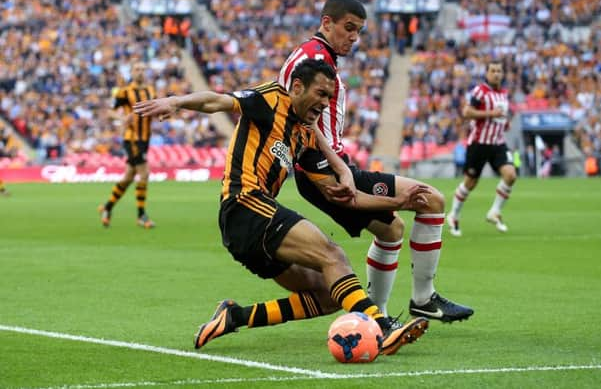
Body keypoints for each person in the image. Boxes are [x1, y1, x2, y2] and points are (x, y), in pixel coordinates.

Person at [133, 58, 428, 356]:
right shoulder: (271, 98)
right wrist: (176, 101)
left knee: (327, 295)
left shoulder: (304, 135)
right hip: (245, 204)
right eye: (321, 93)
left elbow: (341, 196)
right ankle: (381, 327)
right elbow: (217, 101)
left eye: (329, 97)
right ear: (297, 87)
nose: (325, 103)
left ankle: (234, 316)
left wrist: (398, 203)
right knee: (332, 254)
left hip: (251, 228)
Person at [279, 0, 473, 323]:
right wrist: (336, 172)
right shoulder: (312, 60)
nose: (354, 37)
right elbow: (302, 121)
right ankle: (420, 300)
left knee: (393, 229)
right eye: (349, 28)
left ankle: (377, 318)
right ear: (327, 23)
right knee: (431, 200)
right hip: (320, 170)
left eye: (359, 31)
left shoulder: (313, 55)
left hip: (327, 167)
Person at [447, 60, 517, 237]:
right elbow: (467, 112)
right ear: (487, 73)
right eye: (493, 71)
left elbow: (501, 116)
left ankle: (494, 212)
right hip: (479, 143)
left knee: (510, 175)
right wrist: (490, 114)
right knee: (470, 183)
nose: (496, 74)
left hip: (498, 143)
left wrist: (504, 122)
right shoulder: (480, 91)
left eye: (499, 71)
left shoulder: (504, 93)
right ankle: (453, 215)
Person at [99, 61, 156, 228]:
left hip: (145, 138)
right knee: (144, 173)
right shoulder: (125, 92)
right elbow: (109, 111)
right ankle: (141, 215)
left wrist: (162, 114)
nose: (140, 72)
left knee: (129, 177)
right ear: (131, 72)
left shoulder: (150, 90)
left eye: (143, 69)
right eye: (137, 69)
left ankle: (108, 207)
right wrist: (122, 118)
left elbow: (153, 109)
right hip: (131, 138)